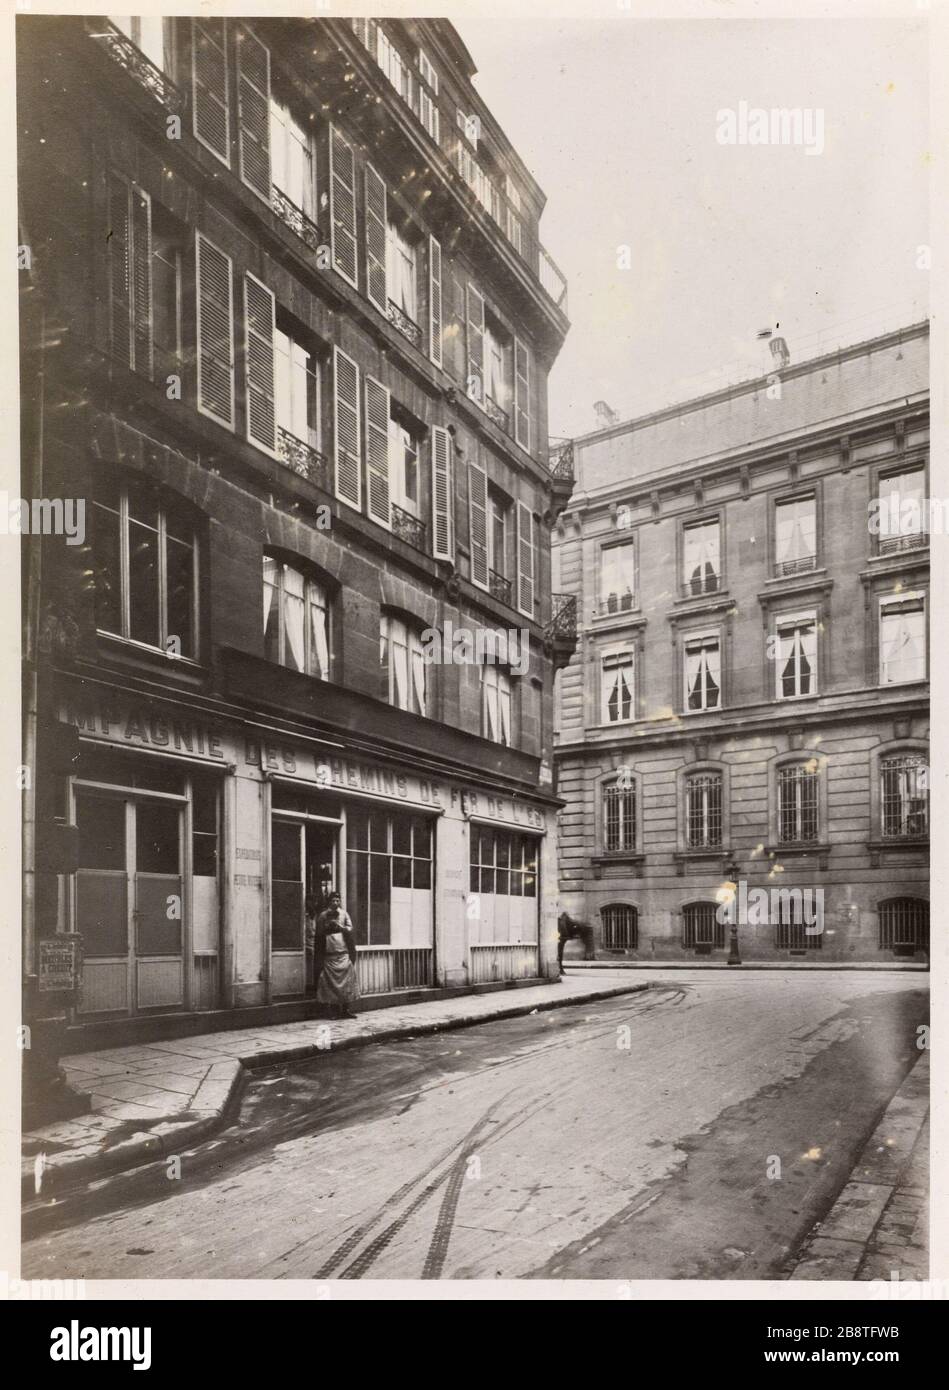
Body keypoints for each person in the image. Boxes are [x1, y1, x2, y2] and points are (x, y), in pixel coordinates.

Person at [314, 891, 360, 1019]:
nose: (335, 903)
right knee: (330, 984)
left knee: (346, 982)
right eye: (333, 900)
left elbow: (350, 929)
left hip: (343, 952)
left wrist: (341, 927)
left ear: (340, 901)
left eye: (337, 900)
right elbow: (319, 934)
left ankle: (345, 1009)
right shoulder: (323, 915)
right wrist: (328, 927)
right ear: (329, 901)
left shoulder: (344, 914)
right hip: (330, 954)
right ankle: (333, 1011)